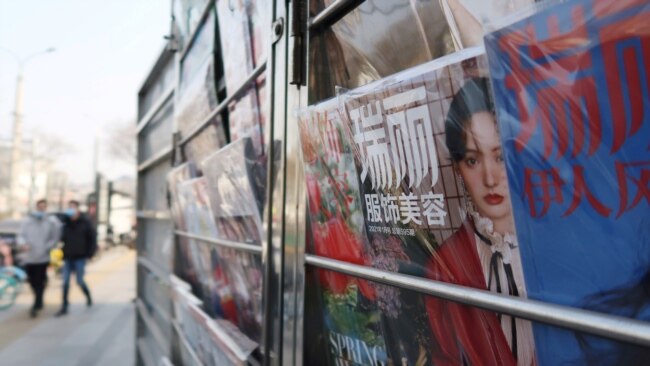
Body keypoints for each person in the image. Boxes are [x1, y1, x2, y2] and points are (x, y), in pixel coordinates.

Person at [425, 77, 536, 365]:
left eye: (501, 157)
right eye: (472, 160)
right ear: (457, 167)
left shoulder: (560, 244)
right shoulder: (445, 265)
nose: (490, 178)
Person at [16, 199, 62, 318]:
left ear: (46, 208)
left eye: (43, 207)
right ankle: (39, 299)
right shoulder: (27, 221)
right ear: (36, 207)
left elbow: (55, 238)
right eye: (39, 206)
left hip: (43, 257)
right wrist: (23, 244)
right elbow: (20, 235)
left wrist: (47, 247)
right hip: (29, 256)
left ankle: (37, 302)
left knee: (40, 280)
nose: (41, 209)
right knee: (32, 280)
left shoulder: (51, 221)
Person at [55, 200, 97, 317]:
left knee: (79, 280)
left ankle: (87, 295)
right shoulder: (65, 223)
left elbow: (92, 239)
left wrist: (90, 254)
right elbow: (60, 237)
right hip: (67, 256)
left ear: (78, 209)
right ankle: (64, 306)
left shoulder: (85, 222)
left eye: (73, 207)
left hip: (80, 257)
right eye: (70, 207)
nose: (71, 210)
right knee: (65, 282)